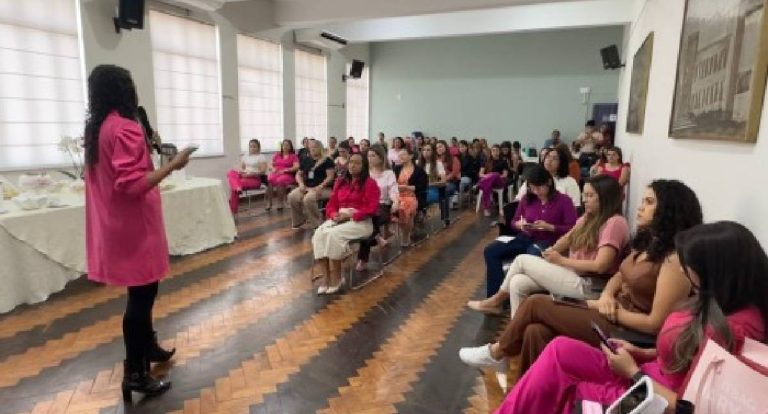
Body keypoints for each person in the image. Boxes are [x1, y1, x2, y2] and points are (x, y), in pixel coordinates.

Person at [492, 221, 768, 414]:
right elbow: (684, 354)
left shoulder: (736, 329)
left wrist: (633, 372)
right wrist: (643, 353)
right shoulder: (712, 300)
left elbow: (690, 406)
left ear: (716, 270)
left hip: (651, 395)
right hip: (646, 373)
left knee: (552, 346)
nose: (683, 273)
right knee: (559, 348)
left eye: (689, 267)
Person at [461, 180, 703, 376]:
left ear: (670, 211)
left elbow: (655, 324)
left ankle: (496, 352)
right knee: (535, 331)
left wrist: (611, 307)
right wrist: (608, 294)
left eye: (649, 202)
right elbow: (620, 273)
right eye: (642, 201)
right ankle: (531, 396)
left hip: (626, 329)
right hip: (609, 306)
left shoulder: (674, 260)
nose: (640, 207)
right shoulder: (649, 242)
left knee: (535, 302)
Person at [83, 65, 187, 401]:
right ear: (124, 89)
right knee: (140, 299)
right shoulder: (124, 128)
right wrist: (172, 165)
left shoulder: (98, 128)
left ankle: (148, 347)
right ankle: (136, 373)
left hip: (117, 227)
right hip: (135, 227)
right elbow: (131, 185)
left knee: (142, 295)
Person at [465, 174, 628, 318]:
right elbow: (568, 238)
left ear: (605, 197)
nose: (584, 199)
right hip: (574, 274)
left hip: (590, 284)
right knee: (517, 282)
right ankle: (517, 333)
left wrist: (560, 261)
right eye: (584, 195)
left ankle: (496, 301)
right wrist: (551, 252)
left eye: (590, 195)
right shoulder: (589, 217)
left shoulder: (614, 223)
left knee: (522, 260)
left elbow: (601, 265)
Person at [475, 165, 578, 299]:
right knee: (491, 251)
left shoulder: (564, 201)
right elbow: (514, 221)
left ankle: (522, 298)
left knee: (531, 256)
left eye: (539, 187)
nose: (536, 191)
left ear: (549, 182)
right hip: (525, 237)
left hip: (548, 242)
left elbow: (573, 228)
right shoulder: (527, 199)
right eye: (532, 188)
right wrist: (519, 225)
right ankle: (494, 296)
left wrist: (551, 227)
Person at [312, 153, 380, 294]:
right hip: (340, 217)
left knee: (333, 235)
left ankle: (337, 278)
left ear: (364, 166)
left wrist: (350, 215)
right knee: (318, 234)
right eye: (350, 162)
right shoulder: (341, 181)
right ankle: (326, 279)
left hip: (361, 222)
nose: (352, 165)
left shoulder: (370, 183)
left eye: (357, 163)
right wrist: (333, 214)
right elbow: (331, 204)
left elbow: (372, 209)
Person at [357, 144, 399, 271]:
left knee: (367, 222)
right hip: (365, 205)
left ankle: (363, 259)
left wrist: (396, 202)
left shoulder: (388, 173)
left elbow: (393, 190)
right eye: (368, 155)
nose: (370, 158)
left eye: (373, 155)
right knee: (366, 223)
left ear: (381, 158)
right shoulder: (364, 173)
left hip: (382, 205)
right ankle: (376, 237)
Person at [287, 139, 335, 229]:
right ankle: (299, 221)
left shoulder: (327, 160)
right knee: (292, 196)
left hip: (324, 188)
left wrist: (319, 187)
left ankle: (317, 223)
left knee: (308, 199)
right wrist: (301, 183)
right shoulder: (306, 160)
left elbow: (330, 177)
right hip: (307, 187)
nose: (312, 149)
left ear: (320, 148)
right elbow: (298, 174)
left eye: (315, 147)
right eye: (311, 147)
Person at [393, 148, 428, 247]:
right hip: (397, 195)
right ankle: (403, 232)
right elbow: (392, 184)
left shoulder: (419, 171)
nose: (400, 157)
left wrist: (407, 187)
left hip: (413, 195)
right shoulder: (396, 168)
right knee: (394, 206)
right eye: (399, 155)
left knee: (405, 206)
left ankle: (405, 235)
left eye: (403, 154)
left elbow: (422, 186)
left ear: (411, 156)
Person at [226, 139, 268, 214]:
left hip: (255, 179)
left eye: (254, 146)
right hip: (244, 176)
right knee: (231, 172)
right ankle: (237, 187)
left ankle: (232, 212)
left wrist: (250, 174)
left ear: (258, 147)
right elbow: (241, 167)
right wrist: (241, 171)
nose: (252, 148)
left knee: (234, 188)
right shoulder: (246, 155)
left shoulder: (261, 157)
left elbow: (262, 172)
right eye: (251, 146)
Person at [476, 145, 510, 217]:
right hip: (488, 182)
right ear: (491, 152)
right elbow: (480, 174)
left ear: (499, 151)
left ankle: (486, 208)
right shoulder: (486, 161)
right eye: (493, 150)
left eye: (496, 150)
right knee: (488, 183)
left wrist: (494, 175)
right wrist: (489, 176)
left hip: (499, 181)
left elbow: (505, 175)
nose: (495, 152)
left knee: (495, 174)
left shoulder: (503, 161)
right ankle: (486, 208)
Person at [266, 139, 299, 211]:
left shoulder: (293, 156)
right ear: (282, 146)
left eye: (287, 145)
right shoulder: (277, 155)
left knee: (280, 180)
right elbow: (270, 164)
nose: (285, 146)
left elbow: (296, 167)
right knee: (269, 179)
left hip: (288, 174)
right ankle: (269, 202)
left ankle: (280, 202)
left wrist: (286, 170)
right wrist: (272, 168)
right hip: (276, 172)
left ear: (290, 147)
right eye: (284, 145)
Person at [435, 140, 461, 225]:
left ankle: (446, 217)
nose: (439, 149)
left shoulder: (453, 158)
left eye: (440, 146)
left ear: (445, 147)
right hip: (437, 182)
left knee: (444, 190)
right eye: (437, 147)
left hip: (451, 182)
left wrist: (444, 179)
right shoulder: (436, 160)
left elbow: (454, 173)